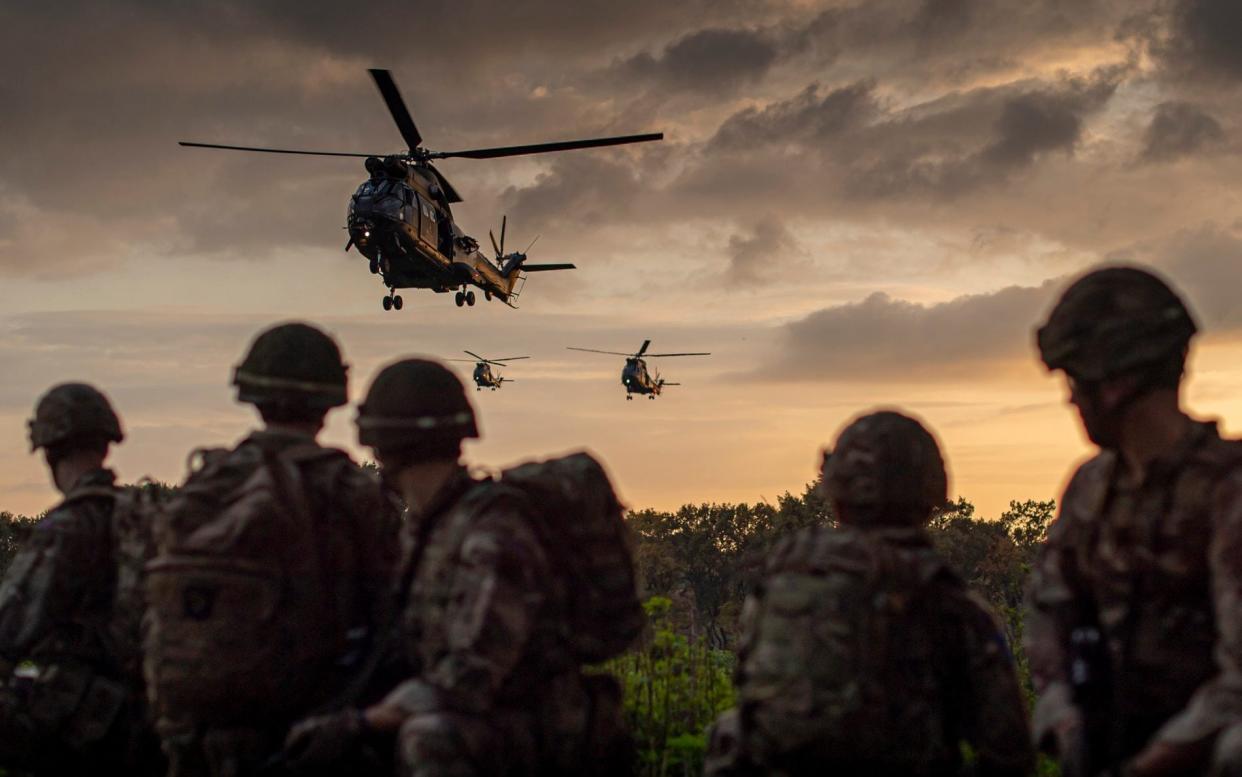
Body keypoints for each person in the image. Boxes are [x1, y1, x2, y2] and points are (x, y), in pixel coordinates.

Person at [281, 358, 640, 777]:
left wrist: (361, 724)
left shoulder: (492, 532)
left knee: (426, 737)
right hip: (483, 712)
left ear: (383, 444)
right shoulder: (428, 527)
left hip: (539, 723)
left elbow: (471, 676)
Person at [705, 410, 1034, 777]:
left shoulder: (785, 576)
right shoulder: (944, 601)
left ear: (836, 488)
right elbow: (1009, 752)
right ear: (930, 492)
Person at [143, 322, 400, 777]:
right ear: (330, 401)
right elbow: (390, 611)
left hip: (195, 737)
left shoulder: (207, 483)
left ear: (250, 394)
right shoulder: (347, 491)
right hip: (309, 734)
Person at [1026, 266, 1242, 776]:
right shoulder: (1092, 487)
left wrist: (1159, 761)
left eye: (1077, 380)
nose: (1071, 398)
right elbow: (1050, 605)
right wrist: (1061, 711)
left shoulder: (1226, 489)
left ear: (1118, 384)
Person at [0, 382, 159, 775]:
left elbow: (9, 626)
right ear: (106, 445)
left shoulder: (70, 525)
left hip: (81, 726)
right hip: (146, 717)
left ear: (50, 452)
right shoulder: (142, 516)